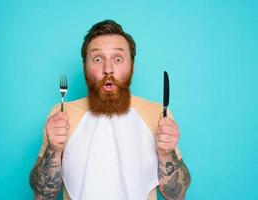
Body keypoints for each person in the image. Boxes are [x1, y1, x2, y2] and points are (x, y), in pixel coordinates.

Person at [29, 19, 191, 200]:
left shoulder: (158, 115)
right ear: (85, 68)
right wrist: (53, 150)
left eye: (118, 59)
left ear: (132, 67)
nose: (108, 69)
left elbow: (177, 195)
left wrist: (166, 154)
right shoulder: (61, 114)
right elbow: (42, 195)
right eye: (97, 59)